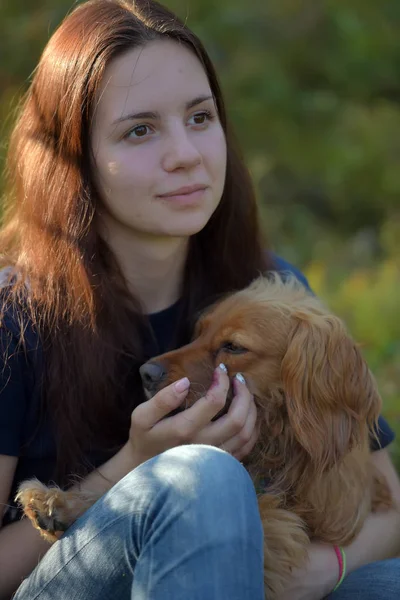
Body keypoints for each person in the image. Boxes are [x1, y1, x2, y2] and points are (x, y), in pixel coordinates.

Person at [0, 1, 399, 599]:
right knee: (204, 481)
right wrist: (135, 462)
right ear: (74, 158)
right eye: (140, 129)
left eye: (200, 116)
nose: (185, 152)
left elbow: (389, 509)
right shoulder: (15, 317)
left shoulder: (267, 290)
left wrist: (318, 572)